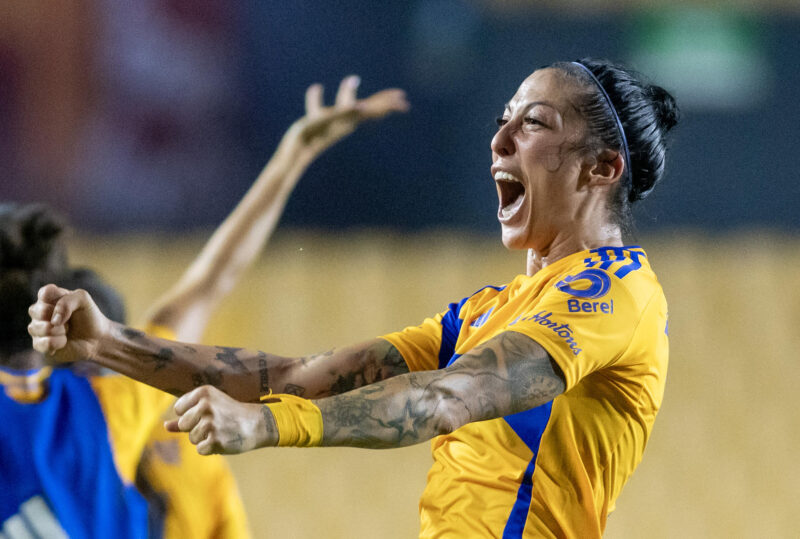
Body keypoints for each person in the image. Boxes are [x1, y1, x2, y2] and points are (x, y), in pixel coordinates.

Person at [29, 58, 677, 537]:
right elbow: (297, 376)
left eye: (532, 123)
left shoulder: (616, 292)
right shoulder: (485, 310)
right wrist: (106, 342)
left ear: (602, 166)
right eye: (501, 120)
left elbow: (448, 398)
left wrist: (265, 424)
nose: (499, 141)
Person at [9, 76, 408, 538]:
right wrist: (292, 155)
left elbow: (209, 283)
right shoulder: (121, 406)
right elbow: (210, 282)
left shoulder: (119, 414)